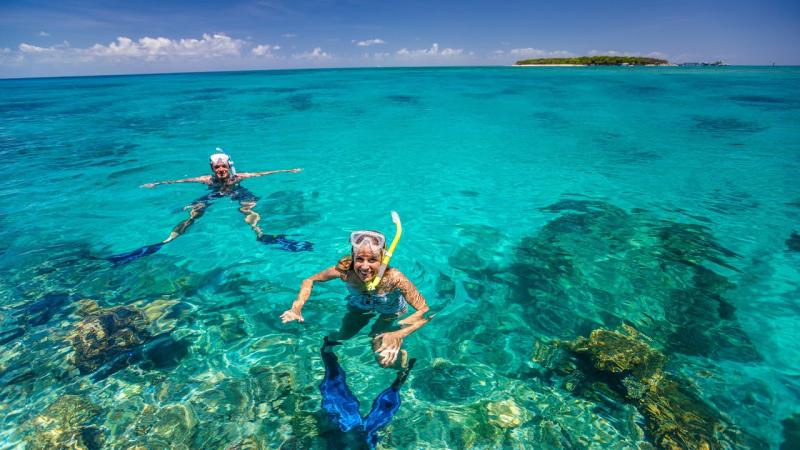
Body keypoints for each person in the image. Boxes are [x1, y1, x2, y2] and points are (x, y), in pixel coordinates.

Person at [108, 149, 311, 265]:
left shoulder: (239, 177)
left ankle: (260, 234)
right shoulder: (207, 179)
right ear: (212, 168)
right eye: (217, 167)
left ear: (229, 166)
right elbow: (182, 180)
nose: (221, 170)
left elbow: (263, 173)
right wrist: (158, 184)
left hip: (237, 192)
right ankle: (167, 240)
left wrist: (288, 170)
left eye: (224, 166)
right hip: (214, 193)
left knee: (247, 209)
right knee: (194, 213)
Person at [280, 221, 430, 369]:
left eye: (372, 260)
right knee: (343, 336)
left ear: (383, 259)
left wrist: (400, 334)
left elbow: (426, 310)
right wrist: (297, 307)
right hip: (359, 305)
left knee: (382, 356)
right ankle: (328, 346)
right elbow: (309, 280)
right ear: (353, 257)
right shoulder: (346, 272)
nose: (364, 266)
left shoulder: (395, 278)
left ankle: (400, 363)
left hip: (389, 311)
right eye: (359, 259)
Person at [319, 337, 415, 449]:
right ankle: (400, 379)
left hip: (346, 427)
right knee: (382, 414)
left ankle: (327, 353)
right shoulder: (367, 437)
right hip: (360, 434)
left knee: (335, 390)